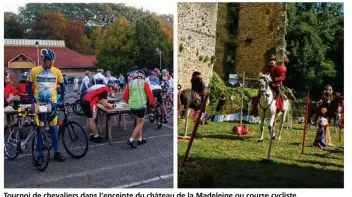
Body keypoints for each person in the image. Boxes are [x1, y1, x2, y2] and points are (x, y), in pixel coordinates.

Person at [27, 48, 66, 165]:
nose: (52, 63)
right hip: (39, 104)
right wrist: (32, 100)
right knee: (40, 130)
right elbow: (28, 87)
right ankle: (40, 155)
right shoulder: (34, 71)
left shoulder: (57, 71)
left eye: (53, 60)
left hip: (51, 104)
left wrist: (62, 99)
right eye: (49, 61)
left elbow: (63, 87)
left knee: (54, 129)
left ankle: (57, 152)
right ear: (43, 60)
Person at [123, 71, 154, 148]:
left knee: (138, 121)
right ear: (142, 77)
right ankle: (131, 139)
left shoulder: (130, 83)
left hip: (132, 106)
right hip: (140, 105)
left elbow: (125, 96)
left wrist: (129, 103)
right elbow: (149, 94)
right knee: (141, 122)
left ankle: (140, 139)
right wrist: (151, 104)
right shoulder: (144, 83)